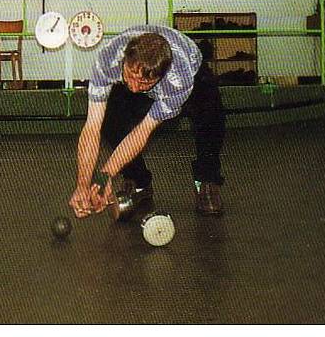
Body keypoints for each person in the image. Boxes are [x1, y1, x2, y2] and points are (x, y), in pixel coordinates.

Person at [69, 26, 226, 219]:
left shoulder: (178, 80)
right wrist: (84, 185)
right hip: (141, 73)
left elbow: (142, 132)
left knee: (211, 118)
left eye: (144, 83)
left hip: (195, 75)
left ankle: (207, 181)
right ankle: (138, 181)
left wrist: (105, 175)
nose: (135, 88)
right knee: (111, 120)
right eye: (131, 76)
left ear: (161, 76)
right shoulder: (108, 60)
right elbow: (92, 127)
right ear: (125, 60)